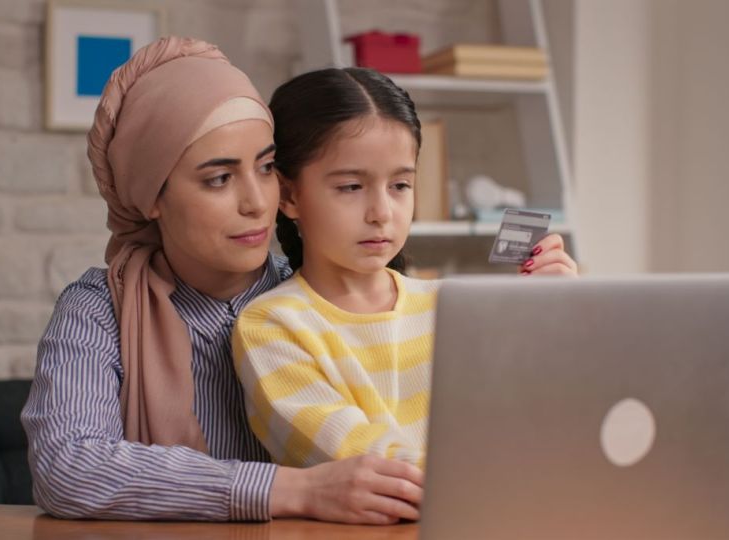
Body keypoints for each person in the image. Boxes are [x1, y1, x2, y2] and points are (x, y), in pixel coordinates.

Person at [21, 37, 426, 525]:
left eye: (267, 167)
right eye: (219, 178)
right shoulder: (99, 311)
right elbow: (68, 468)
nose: (257, 202)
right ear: (152, 194)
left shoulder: (314, 300)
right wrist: (290, 489)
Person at [231, 68, 578, 472]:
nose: (382, 214)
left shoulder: (452, 307)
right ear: (289, 196)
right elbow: (367, 464)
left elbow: (544, 421)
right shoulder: (271, 326)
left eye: (400, 186)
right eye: (351, 187)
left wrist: (561, 324)